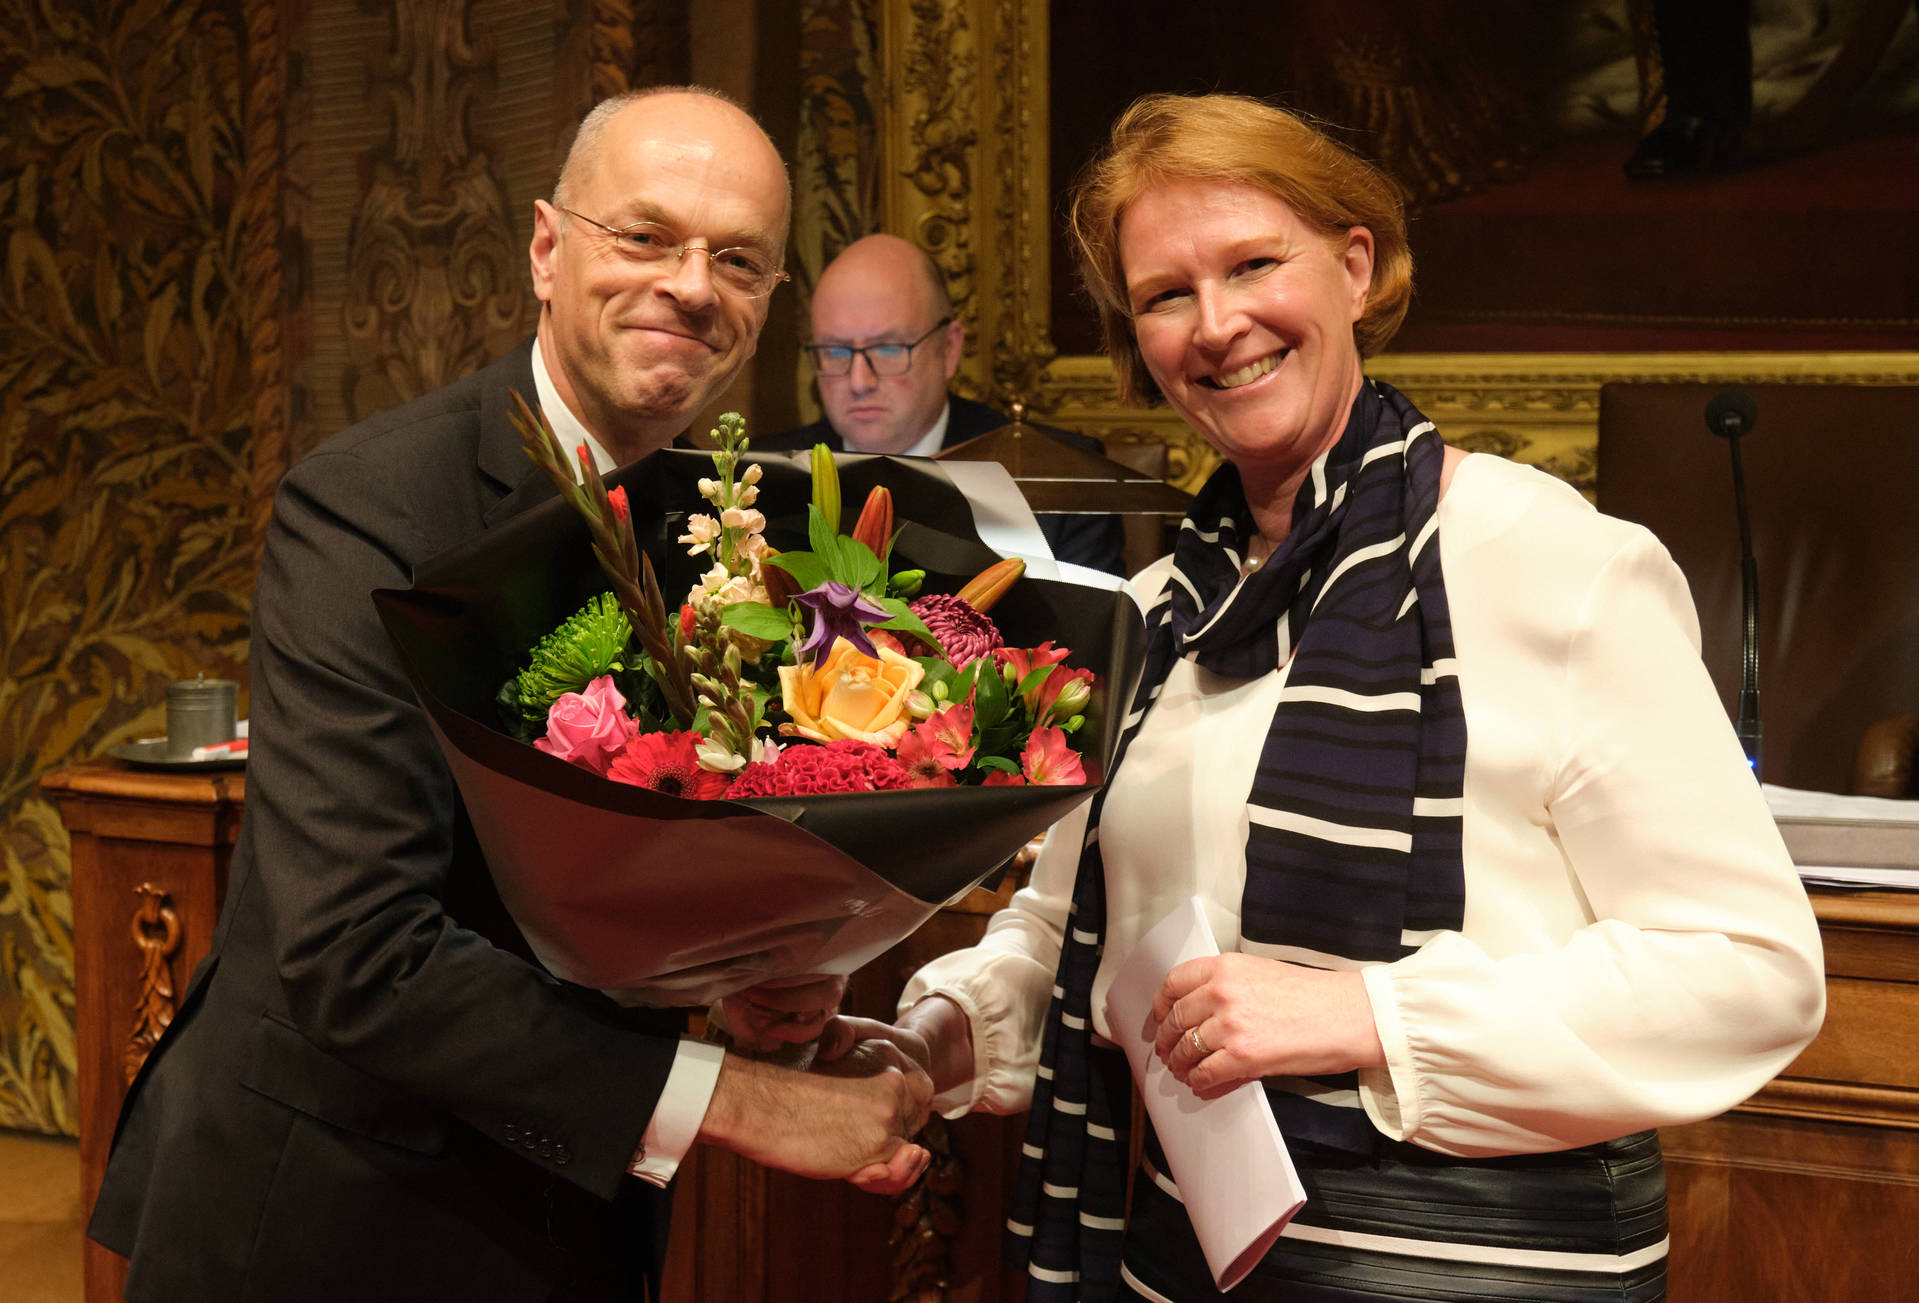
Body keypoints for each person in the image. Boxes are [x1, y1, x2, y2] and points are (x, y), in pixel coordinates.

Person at [850, 92, 1826, 1301]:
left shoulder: (1556, 564)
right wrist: (937, 1034)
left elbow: (1745, 969)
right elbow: (1074, 928)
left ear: (1355, 265)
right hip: (1182, 1259)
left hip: (1480, 1267)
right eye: (1163, 295)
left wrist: (1366, 1014)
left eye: (1254, 263)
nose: (1216, 325)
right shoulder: (1151, 612)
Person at [87, 87, 932, 1303]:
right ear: (546, 250)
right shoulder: (369, 506)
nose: (693, 285)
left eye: (737, 258)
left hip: (573, 1215)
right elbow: (355, 949)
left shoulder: (737, 530)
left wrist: (745, 977)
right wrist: (744, 1103)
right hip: (329, 1217)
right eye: (644, 237)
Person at [757, 233, 1128, 576]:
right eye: (835, 351)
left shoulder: (1060, 478)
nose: (859, 382)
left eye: (888, 349)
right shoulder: (759, 477)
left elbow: (1095, 643)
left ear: (949, 349)